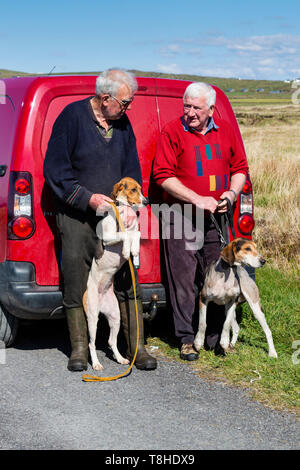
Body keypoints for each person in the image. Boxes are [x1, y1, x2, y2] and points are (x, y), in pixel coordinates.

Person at [43, 69, 157, 372]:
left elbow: (132, 168)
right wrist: (87, 199)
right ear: (105, 98)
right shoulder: (71, 118)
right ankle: (80, 348)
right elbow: (55, 171)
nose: (128, 108)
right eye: (124, 103)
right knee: (78, 277)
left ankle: (137, 347)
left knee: (127, 277)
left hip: (118, 213)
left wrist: (132, 205)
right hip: (78, 215)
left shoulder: (122, 123)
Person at [152, 82, 249, 360]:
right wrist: (197, 198)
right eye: (186, 106)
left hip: (217, 217)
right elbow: (163, 175)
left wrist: (231, 193)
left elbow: (240, 169)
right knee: (182, 278)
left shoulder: (226, 130)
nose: (190, 112)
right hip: (180, 215)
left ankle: (216, 337)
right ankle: (185, 338)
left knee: (218, 274)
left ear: (211, 109)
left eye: (196, 107)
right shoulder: (172, 131)